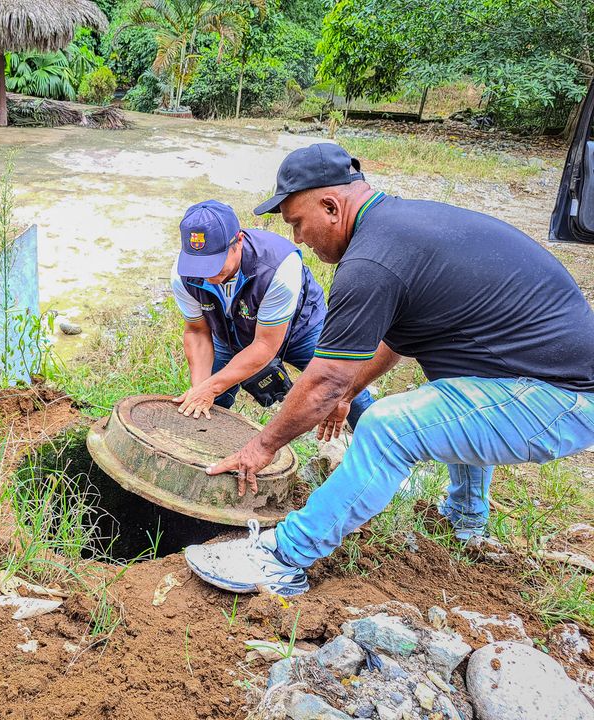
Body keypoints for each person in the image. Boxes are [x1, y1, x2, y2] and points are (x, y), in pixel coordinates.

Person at [183, 143, 594, 597]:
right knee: (453, 392)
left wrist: (261, 447)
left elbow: (324, 379)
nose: (297, 238)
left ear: (331, 206)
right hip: (532, 380)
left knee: (389, 427)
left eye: (297, 222)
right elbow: (394, 342)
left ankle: (282, 558)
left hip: (563, 397)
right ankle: (465, 519)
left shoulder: (372, 261)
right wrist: (346, 393)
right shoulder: (396, 231)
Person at [171, 199, 373, 424]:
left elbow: (265, 345)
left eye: (214, 263)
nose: (207, 275)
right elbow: (197, 331)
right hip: (229, 332)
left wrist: (211, 387)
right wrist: (202, 388)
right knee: (207, 397)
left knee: (340, 382)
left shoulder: (278, 267)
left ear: (238, 240)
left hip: (300, 329)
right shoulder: (182, 273)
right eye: (199, 265)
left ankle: (378, 437)